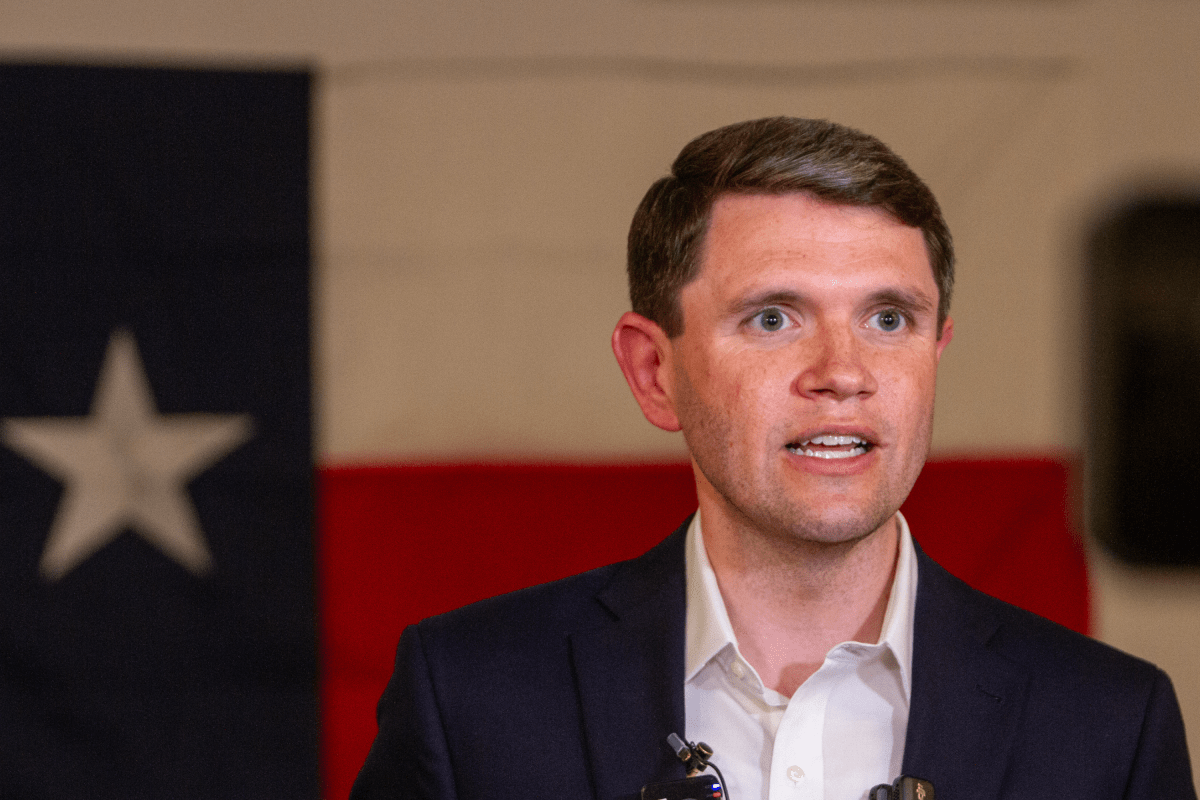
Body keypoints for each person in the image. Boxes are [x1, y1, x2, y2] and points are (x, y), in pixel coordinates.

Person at [351, 117, 1195, 800]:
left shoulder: (1111, 726)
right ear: (654, 373)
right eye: (773, 318)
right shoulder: (469, 698)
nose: (843, 373)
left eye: (888, 319)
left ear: (936, 351)